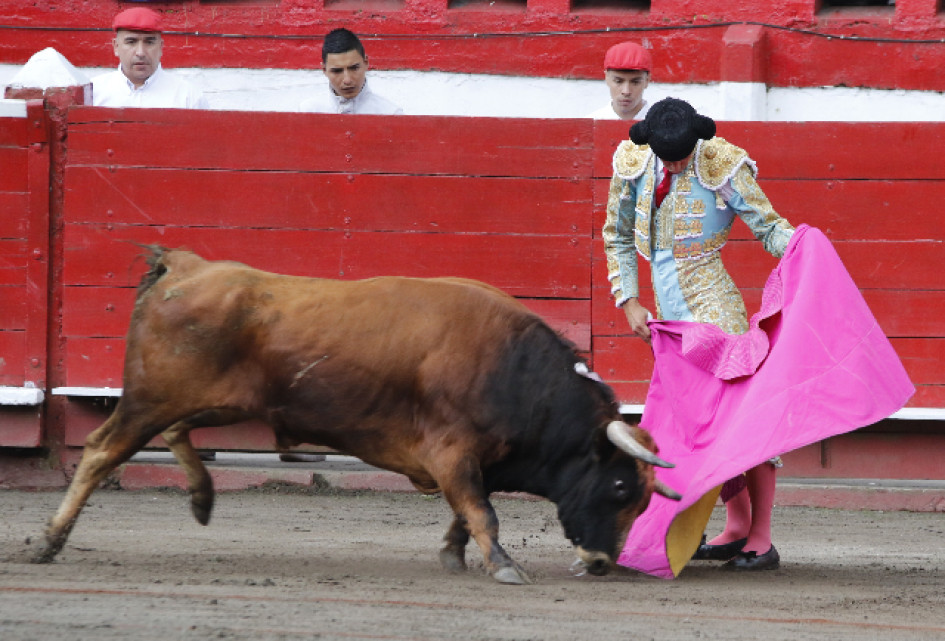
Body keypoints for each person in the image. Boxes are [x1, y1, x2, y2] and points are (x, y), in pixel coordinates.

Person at [602, 97, 796, 571]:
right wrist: (627, 299)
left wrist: (802, 250)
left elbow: (768, 229)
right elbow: (617, 235)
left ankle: (762, 538)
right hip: (667, 324)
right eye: (669, 156)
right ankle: (738, 525)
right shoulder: (632, 163)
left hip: (716, 314)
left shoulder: (721, 163)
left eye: (683, 155)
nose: (676, 163)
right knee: (696, 427)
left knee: (739, 420)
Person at [91, 7, 208, 109]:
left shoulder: (188, 97)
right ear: (116, 46)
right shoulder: (93, 93)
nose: (140, 52)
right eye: (131, 42)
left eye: (149, 42)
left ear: (161, 47)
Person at [299, 28, 403, 115]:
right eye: (337, 71)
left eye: (354, 68)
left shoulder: (390, 113)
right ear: (324, 70)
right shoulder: (309, 111)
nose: (347, 80)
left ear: (366, 62)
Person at [588, 41, 652, 121]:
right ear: (607, 78)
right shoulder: (591, 124)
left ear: (647, 80)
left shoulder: (662, 126)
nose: (626, 91)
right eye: (618, 81)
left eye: (635, 82)